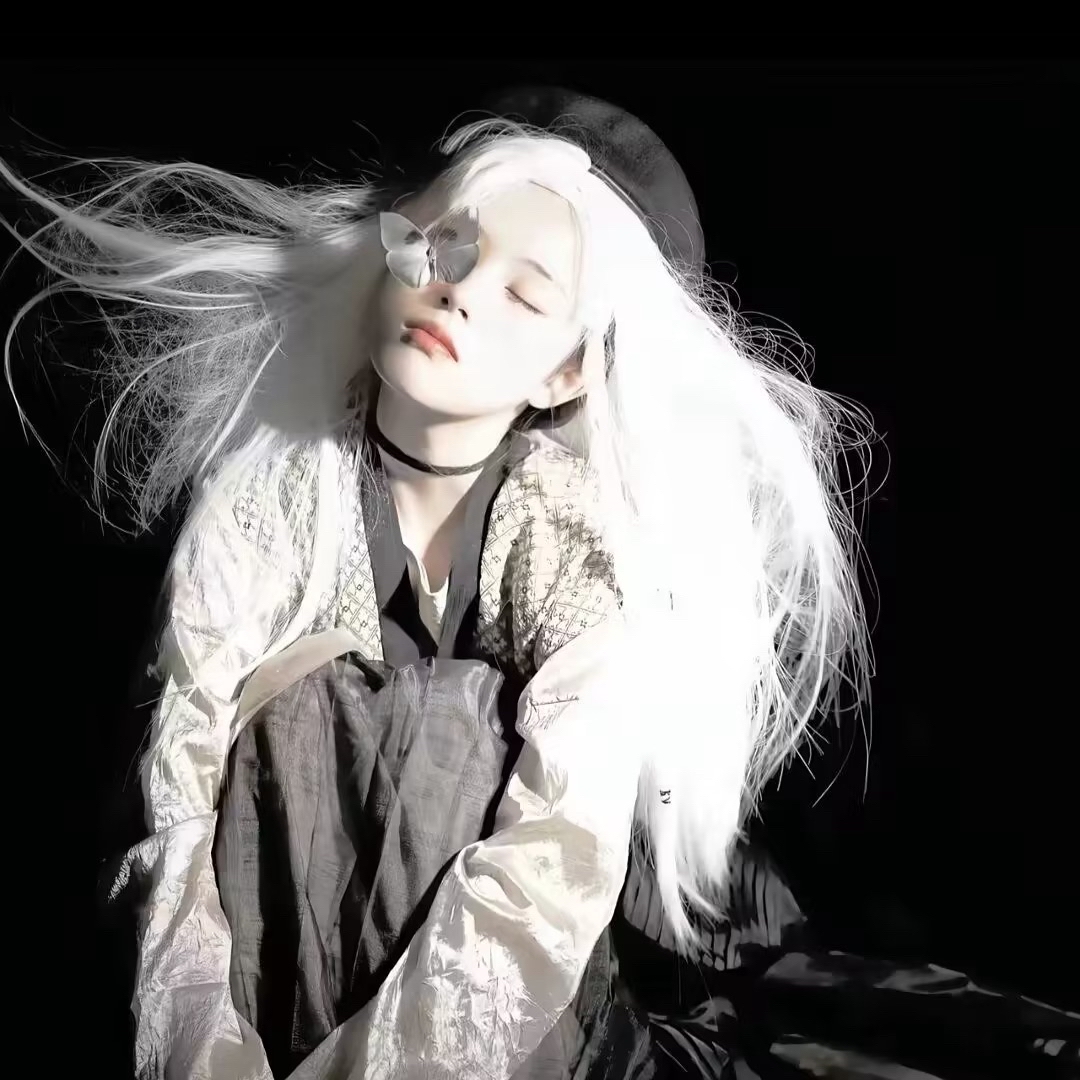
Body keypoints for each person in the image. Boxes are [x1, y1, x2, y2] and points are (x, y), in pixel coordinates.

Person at [1, 86, 874, 1079]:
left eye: (526, 297)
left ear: (566, 373)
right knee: (296, 708)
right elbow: (172, 797)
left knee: (453, 726)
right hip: (263, 993)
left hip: (498, 1038)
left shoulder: (570, 546)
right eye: (446, 246)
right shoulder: (266, 504)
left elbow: (553, 860)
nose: (459, 293)